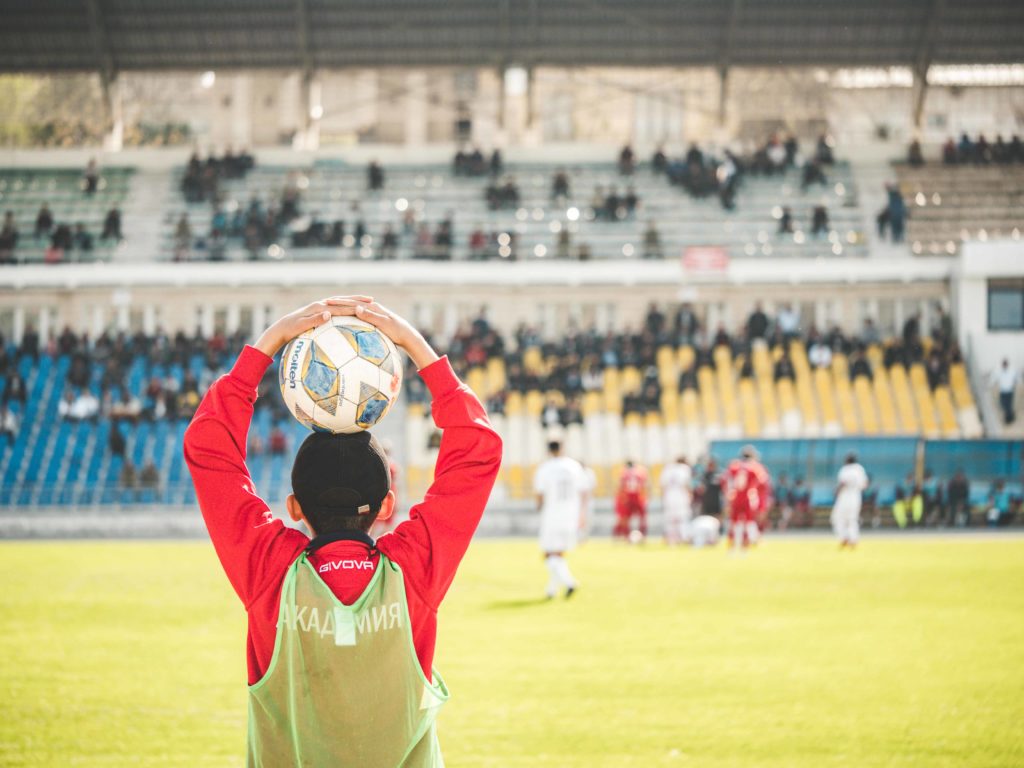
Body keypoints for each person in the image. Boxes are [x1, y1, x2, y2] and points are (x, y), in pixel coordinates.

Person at [183, 295, 502, 766]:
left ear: (293, 508)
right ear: (386, 506)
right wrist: (416, 347)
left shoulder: (272, 572)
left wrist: (271, 343)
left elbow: (209, 450)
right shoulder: (410, 572)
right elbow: (477, 452)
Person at [533, 440, 587, 599]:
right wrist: (582, 514)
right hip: (571, 515)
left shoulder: (545, 468)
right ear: (562, 449)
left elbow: (540, 494)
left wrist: (538, 508)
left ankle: (570, 582)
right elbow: (583, 491)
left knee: (549, 554)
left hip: (552, 515)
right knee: (560, 554)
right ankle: (551, 590)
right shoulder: (574, 466)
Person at [722, 445, 771, 553]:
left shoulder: (734, 465)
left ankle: (732, 541)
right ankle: (749, 540)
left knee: (734, 521)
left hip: (735, 496)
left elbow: (725, 479)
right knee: (749, 520)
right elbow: (763, 481)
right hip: (748, 496)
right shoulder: (755, 467)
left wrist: (728, 495)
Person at [831, 453, 868, 549]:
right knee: (852, 519)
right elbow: (864, 485)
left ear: (847, 460)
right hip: (856, 496)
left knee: (837, 518)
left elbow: (843, 483)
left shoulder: (845, 469)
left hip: (845, 496)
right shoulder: (859, 469)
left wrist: (836, 491)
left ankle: (844, 538)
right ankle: (853, 539)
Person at [660, 456, 693, 545]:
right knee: (683, 517)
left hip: (669, 495)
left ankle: (670, 538)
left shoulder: (667, 468)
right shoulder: (684, 468)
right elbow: (686, 484)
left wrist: (664, 497)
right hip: (681, 495)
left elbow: (663, 485)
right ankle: (684, 537)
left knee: (670, 518)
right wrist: (690, 495)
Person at [613, 460, 648, 541]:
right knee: (642, 517)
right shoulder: (641, 472)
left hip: (628, 496)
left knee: (625, 518)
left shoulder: (624, 473)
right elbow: (645, 485)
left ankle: (624, 535)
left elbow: (620, 486)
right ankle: (643, 536)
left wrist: (621, 498)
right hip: (638, 496)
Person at [993, 358, 1019, 425]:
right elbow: (994, 380)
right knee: (1003, 405)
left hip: (1010, 391)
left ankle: (1009, 419)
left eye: (1005, 364)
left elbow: (1016, 379)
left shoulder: (1012, 371)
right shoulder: (999, 372)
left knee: (1008, 406)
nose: (1004, 366)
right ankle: (1011, 417)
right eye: (1003, 364)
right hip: (1003, 392)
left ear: (1007, 365)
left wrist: (1015, 384)